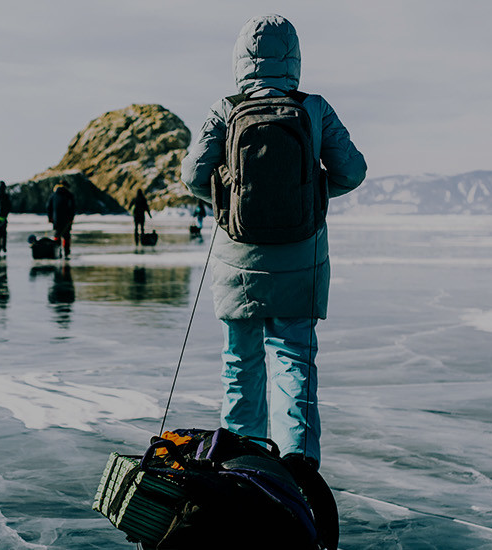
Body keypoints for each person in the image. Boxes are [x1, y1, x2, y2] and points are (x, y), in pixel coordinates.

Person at [180, 14, 366, 547]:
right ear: (294, 57)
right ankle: (300, 472)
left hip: (238, 256)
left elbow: (194, 175)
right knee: (294, 360)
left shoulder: (226, 108)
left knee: (241, 362)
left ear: (241, 59)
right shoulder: (313, 108)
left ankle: (240, 465)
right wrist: (308, 193)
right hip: (302, 258)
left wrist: (236, 197)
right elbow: (352, 172)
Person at [47, 183, 76, 258]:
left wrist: (50, 218)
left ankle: (57, 252)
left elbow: (48, 207)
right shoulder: (69, 195)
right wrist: (71, 218)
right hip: (66, 219)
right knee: (66, 236)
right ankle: (66, 252)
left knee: (57, 235)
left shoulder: (53, 195)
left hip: (56, 219)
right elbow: (72, 207)